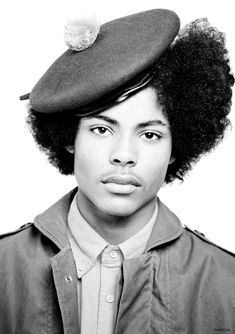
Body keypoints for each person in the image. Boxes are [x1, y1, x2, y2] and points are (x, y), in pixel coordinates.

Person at [0, 8, 234, 334]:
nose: (124, 155)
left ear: (175, 147)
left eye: (150, 134)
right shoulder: (3, 268)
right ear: (69, 138)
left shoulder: (226, 284)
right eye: (102, 130)